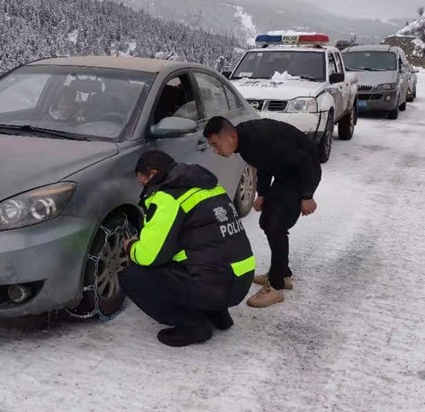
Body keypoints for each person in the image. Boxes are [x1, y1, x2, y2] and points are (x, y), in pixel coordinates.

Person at [120, 150, 255, 347]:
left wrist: (131, 246)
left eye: (143, 182)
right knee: (202, 252)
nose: (143, 186)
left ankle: (192, 325)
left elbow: (150, 256)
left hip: (214, 286)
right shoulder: (206, 185)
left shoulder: (168, 197)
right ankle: (218, 314)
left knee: (133, 276)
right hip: (241, 279)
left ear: (153, 173)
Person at [203, 116, 321, 308]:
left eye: (216, 145)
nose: (216, 151)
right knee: (266, 222)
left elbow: (306, 159)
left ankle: (275, 286)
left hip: (301, 175)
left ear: (231, 136)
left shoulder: (262, 137)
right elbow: (264, 164)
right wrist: (263, 194)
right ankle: (282, 273)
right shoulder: (246, 143)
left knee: (276, 225)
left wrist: (307, 195)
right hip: (284, 176)